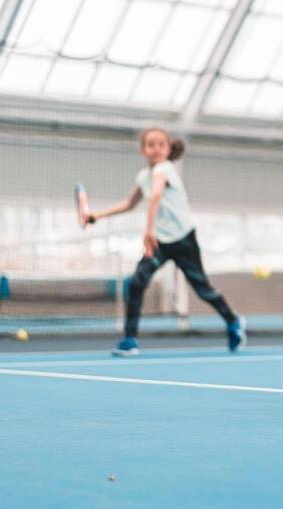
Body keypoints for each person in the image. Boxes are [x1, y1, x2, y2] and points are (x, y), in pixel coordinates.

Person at [84, 127, 244, 356]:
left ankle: (233, 321)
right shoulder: (143, 177)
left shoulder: (165, 168)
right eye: (151, 144)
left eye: (161, 144)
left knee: (203, 290)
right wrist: (96, 216)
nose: (156, 148)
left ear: (168, 149)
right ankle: (129, 340)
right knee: (138, 282)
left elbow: (157, 194)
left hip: (183, 239)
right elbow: (129, 203)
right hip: (160, 243)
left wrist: (148, 230)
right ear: (142, 150)